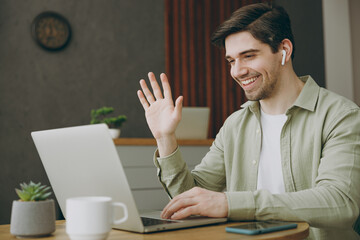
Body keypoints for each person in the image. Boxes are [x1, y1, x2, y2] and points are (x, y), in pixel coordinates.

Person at [137, 3, 360, 240]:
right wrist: (165, 138)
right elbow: (190, 199)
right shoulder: (234, 125)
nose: (237, 71)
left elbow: (340, 202)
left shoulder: (341, 115)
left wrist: (230, 203)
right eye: (231, 60)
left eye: (249, 56)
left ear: (284, 49)